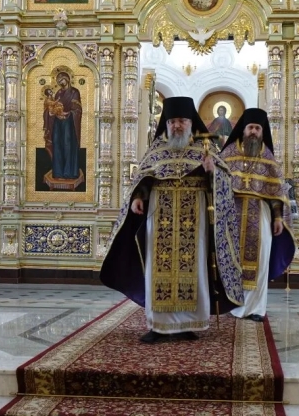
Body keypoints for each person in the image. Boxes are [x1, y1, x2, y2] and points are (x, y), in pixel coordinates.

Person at [101, 96, 243, 343]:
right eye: (172, 121)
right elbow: (143, 178)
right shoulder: (156, 151)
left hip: (194, 217)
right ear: (166, 124)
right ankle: (159, 326)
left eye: (182, 121)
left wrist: (213, 172)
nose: (177, 125)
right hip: (160, 215)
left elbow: (225, 182)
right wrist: (138, 197)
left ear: (191, 123)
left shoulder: (205, 149)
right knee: (158, 267)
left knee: (194, 266)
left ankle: (188, 323)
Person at [219, 108, 296, 321]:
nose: (253, 132)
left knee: (260, 262)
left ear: (262, 132)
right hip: (231, 214)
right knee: (231, 260)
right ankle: (233, 305)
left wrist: (278, 217)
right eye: (250, 127)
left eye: (257, 128)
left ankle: (256, 309)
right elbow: (216, 183)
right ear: (243, 130)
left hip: (260, 213)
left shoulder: (267, 157)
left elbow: (276, 193)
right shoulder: (228, 154)